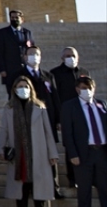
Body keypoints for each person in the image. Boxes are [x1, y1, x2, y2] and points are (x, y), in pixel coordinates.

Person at [0, 74, 59, 206]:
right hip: (20, 155)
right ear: (14, 89)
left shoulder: (40, 107)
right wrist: (0, 149)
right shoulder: (9, 108)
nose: (24, 89)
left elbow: (48, 132)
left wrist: (53, 153)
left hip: (38, 153)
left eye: (26, 87)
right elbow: (4, 130)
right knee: (22, 193)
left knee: (39, 196)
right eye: (20, 87)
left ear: (31, 89)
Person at [19, 46, 66, 198]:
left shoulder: (47, 76)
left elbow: (55, 98)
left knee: (50, 153)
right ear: (25, 57)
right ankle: (32, 187)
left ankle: (54, 187)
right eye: (31, 54)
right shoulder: (20, 75)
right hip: (29, 120)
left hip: (49, 119)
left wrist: (58, 119)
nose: (34, 57)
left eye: (37, 54)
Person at [61, 76, 107, 207]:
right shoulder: (69, 106)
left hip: (102, 153)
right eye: (83, 88)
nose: (87, 90)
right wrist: (73, 154)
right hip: (83, 154)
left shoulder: (101, 104)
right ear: (77, 89)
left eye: (89, 88)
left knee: (105, 189)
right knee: (84, 191)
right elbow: (67, 133)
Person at [51, 47, 91, 187]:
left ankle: (86, 176)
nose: (70, 58)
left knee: (86, 146)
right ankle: (72, 179)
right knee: (71, 146)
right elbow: (54, 98)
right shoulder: (55, 74)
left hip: (84, 114)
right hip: (66, 114)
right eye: (67, 55)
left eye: (73, 55)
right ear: (62, 58)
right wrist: (58, 119)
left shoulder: (83, 73)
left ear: (77, 57)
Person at [0, 8, 36, 92]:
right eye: (12, 18)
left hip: (25, 67)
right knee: (12, 92)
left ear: (22, 19)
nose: (14, 19)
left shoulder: (27, 32)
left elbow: (32, 48)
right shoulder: (3, 33)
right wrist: (1, 69)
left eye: (16, 18)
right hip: (10, 68)